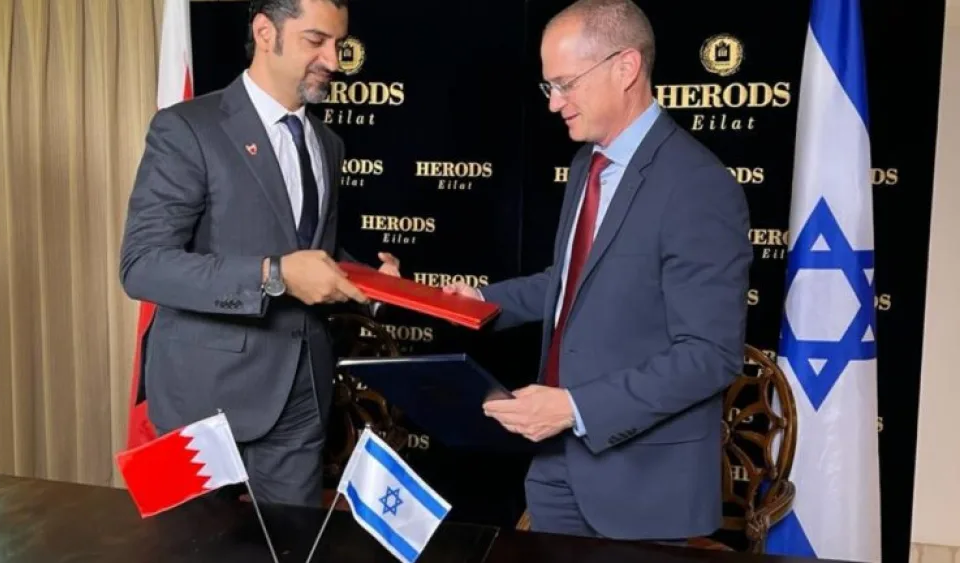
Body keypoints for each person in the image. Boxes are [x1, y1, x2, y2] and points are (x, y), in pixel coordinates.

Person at [445, 0, 752, 542]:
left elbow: (709, 354)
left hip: (642, 485)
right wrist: (479, 301)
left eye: (565, 84)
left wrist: (575, 407)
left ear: (625, 67)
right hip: (557, 468)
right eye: (548, 88)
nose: (554, 104)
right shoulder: (588, 163)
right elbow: (572, 286)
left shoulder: (697, 185)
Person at [119, 0, 400, 507]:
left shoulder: (328, 143)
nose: (334, 61)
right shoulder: (185, 128)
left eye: (338, 44)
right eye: (316, 41)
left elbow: (311, 252)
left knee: (289, 547)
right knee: (186, 550)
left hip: (301, 391)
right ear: (265, 32)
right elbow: (143, 266)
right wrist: (275, 275)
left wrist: (373, 283)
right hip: (195, 398)